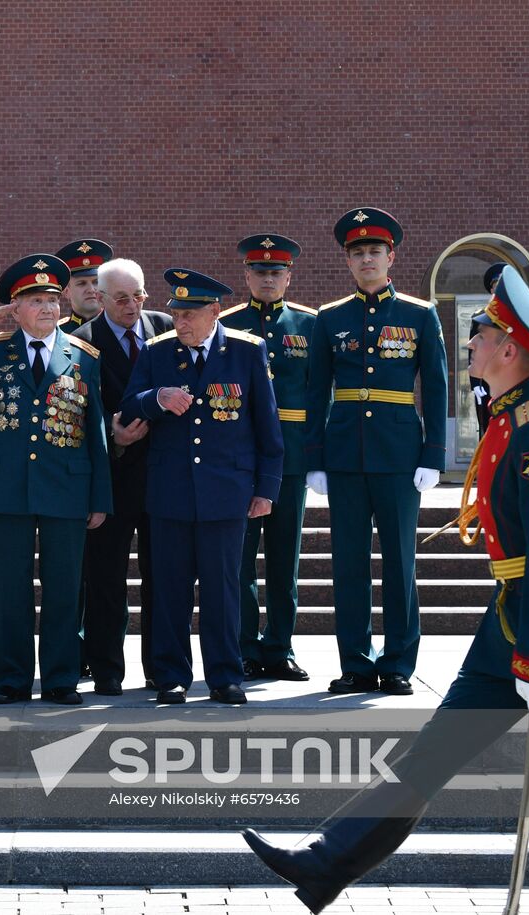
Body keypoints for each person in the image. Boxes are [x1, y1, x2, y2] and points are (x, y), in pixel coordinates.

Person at [244, 265, 529, 914]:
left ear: (509, 350)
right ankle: (325, 865)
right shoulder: (511, 412)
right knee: (431, 753)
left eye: (482, 332)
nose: (471, 341)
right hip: (510, 624)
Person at [0, 254, 112, 705]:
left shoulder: (82, 357)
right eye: (35, 300)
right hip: (5, 486)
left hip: (66, 486)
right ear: (15, 308)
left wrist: (100, 497)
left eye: (53, 299)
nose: (47, 308)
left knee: (64, 588)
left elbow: (95, 430)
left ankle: (60, 679)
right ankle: (10, 679)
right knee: (8, 588)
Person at [119, 268, 282, 705]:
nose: (181, 321)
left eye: (190, 314)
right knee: (169, 589)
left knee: (222, 591)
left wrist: (266, 489)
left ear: (215, 311)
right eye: (176, 313)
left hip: (226, 493)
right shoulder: (157, 352)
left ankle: (225, 676)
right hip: (170, 493)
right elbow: (129, 403)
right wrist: (157, 399)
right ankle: (171, 676)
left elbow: (267, 429)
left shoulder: (247, 351)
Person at [305, 207, 448, 696]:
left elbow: (436, 383)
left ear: (392, 257)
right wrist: (315, 458)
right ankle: (355, 664)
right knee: (348, 564)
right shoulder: (330, 318)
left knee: (400, 565)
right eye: (357, 253)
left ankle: (398, 664)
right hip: (345, 456)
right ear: (347, 261)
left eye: (375, 251)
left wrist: (434, 454)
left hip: (400, 455)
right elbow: (314, 390)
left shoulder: (418, 313)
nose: (367, 260)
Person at [69, 258, 173, 695]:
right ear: (100, 298)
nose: (132, 306)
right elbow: (75, 414)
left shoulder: (166, 327)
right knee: (106, 576)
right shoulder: (80, 341)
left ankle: (161, 666)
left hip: (165, 475)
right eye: (122, 299)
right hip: (110, 478)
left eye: (139, 296)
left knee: (164, 576)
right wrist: (115, 439)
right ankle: (107, 667)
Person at [221, 234, 317, 682]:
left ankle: (279, 647)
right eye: (259, 272)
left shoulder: (310, 326)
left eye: (276, 272)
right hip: (241, 459)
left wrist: (318, 456)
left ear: (288, 276)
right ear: (246, 276)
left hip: (291, 459)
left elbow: (322, 396)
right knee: (239, 561)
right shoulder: (226, 324)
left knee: (284, 560)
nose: (268, 279)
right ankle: (242, 647)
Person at [468, 261, 508, 439]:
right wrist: (475, 384)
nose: (498, 290)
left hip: (511, 377)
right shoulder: (479, 318)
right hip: (486, 380)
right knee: (487, 425)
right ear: (491, 290)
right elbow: (473, 353)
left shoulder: (518, 316)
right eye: (495, 286)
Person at [57, 238, 112, 333]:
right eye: (81, 283)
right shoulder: (57, 334)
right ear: (66, 292)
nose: (91, 290)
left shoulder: (118, 328)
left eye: (96, 282)